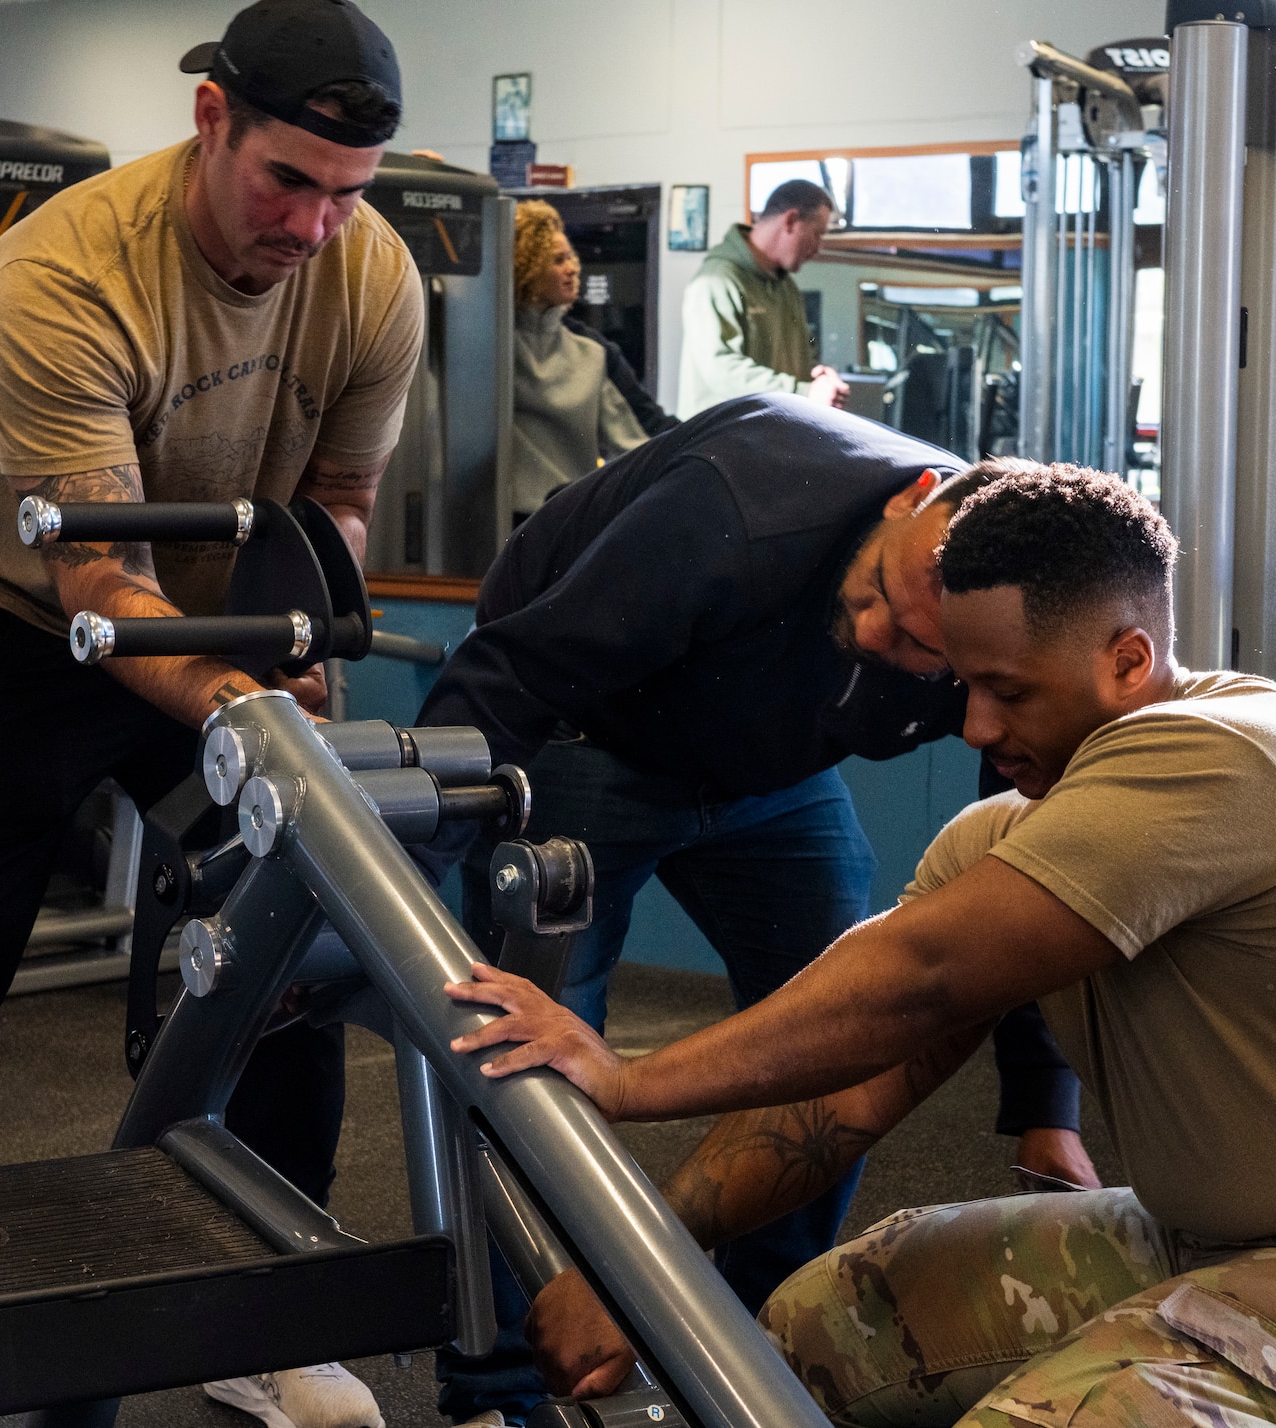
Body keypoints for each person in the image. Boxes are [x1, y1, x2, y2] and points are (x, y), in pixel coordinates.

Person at [446, 467, 1276, 1427]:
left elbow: (921, 981)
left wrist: (627, 1083)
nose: (971, 727)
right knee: (815, 1326)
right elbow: (851, 1089)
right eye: (959, 683)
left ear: (1126, 660)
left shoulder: (1226, 753)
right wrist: (640, 1261)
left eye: (1006, 690)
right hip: (1189, 1241)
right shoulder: (1010, 835)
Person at [0, 4, 423, 1426]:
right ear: (211, 122)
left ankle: (268, 1312)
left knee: (286, 926)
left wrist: (296, 658)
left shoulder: (375, 278)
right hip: (9, 623)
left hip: (215, 624)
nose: (313, 226)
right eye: (286, 181)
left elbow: (338, 509)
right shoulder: (62, 270)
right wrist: (247, 696)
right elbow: (96, 574)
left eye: (347, 195)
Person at [416, 394, 1096, 1425]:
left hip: (775, 778)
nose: (871, 634)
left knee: (846, 1025)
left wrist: (1045, 1105)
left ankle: (746, 1346)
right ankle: (500, 1387)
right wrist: (384, 897)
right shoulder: (731, 512)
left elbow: (1022, 863)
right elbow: (510, 673)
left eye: (918, 652)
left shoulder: (986, 619)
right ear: (910, 498)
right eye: (877, 594)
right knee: (526, 1056)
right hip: (589, 733)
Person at [507, 199, 673, 515]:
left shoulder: (591, 351)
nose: (572, 268)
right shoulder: (483, 341)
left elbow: (644, 426)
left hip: (567, 514)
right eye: (557, 260)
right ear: (525, 268)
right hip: (499, 517)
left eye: (570, 257)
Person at [675, 180, 849, 418]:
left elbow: (801, 354)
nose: (817, 248)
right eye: (817, 234)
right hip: (718, 443)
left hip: (765, 433)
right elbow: (722, 370)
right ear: (790, 221)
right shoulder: (716, 280)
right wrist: (804, 393)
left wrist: (816, 375)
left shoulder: (786, 286)